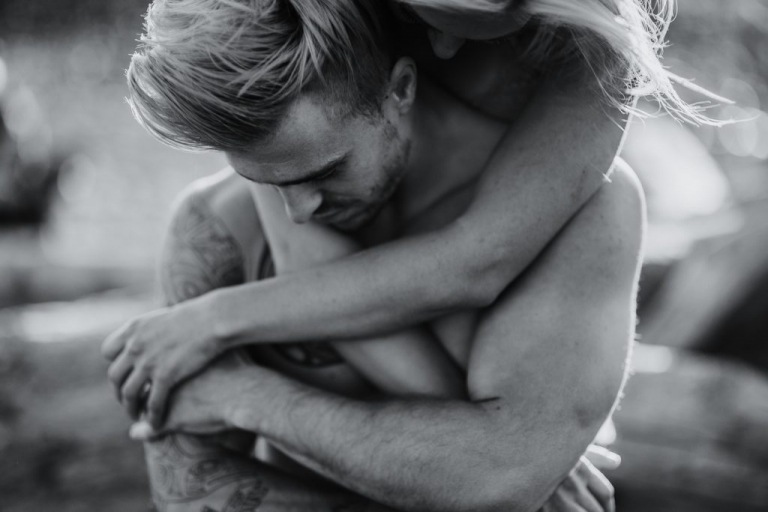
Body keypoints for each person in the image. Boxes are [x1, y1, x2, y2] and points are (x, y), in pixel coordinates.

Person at [100, 0, 688, 509]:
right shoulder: (216, 227)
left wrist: (247, 397)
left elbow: (498, 480)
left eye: (324, 172)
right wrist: (485, 459)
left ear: (401, 88)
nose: (297, 211)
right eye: (269, 182)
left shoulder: (588, 213)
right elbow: (194, 497)